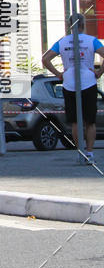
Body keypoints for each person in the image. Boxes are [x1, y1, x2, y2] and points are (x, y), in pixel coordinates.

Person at [42, 13, 104, 164]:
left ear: (69, 25)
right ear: (83, 24)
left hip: (69, 83)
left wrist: (59, 74)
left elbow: (45, 59)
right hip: (88, 81)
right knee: (90, 121)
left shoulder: (62, 42)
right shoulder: (91, 41)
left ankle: (81, 152)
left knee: (75, 121)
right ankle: (90, 153)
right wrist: (99, 72)